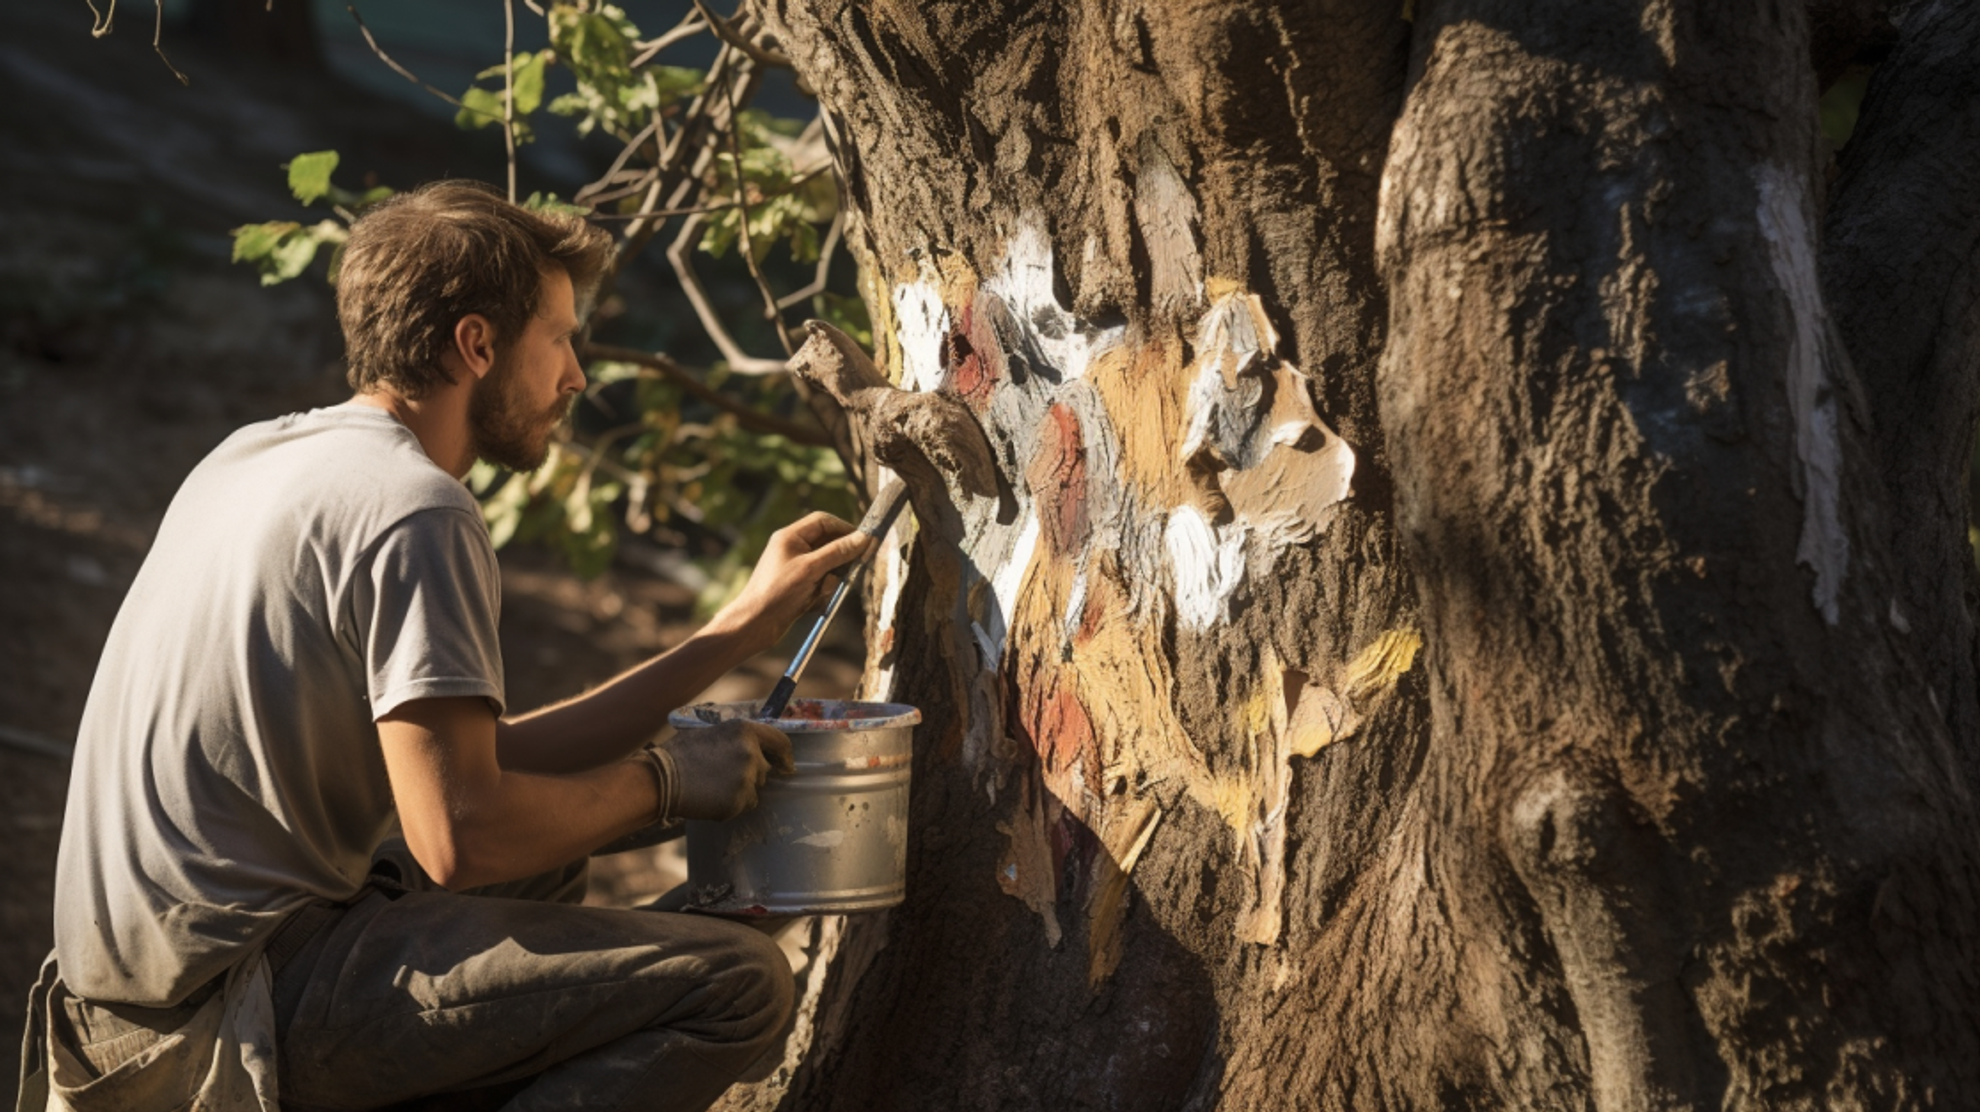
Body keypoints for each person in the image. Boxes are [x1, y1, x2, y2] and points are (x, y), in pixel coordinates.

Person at [17, 180, 870, 1112]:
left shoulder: (257, 457)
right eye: (559, 338)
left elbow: (475, 767)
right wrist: (665, 784)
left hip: (131, 996)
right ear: (476, 345)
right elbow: (460, 837)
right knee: (739, 986)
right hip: (225, 1012)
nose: (577, 375)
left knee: (551, 858)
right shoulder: (415, 510)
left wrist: (738, 630)